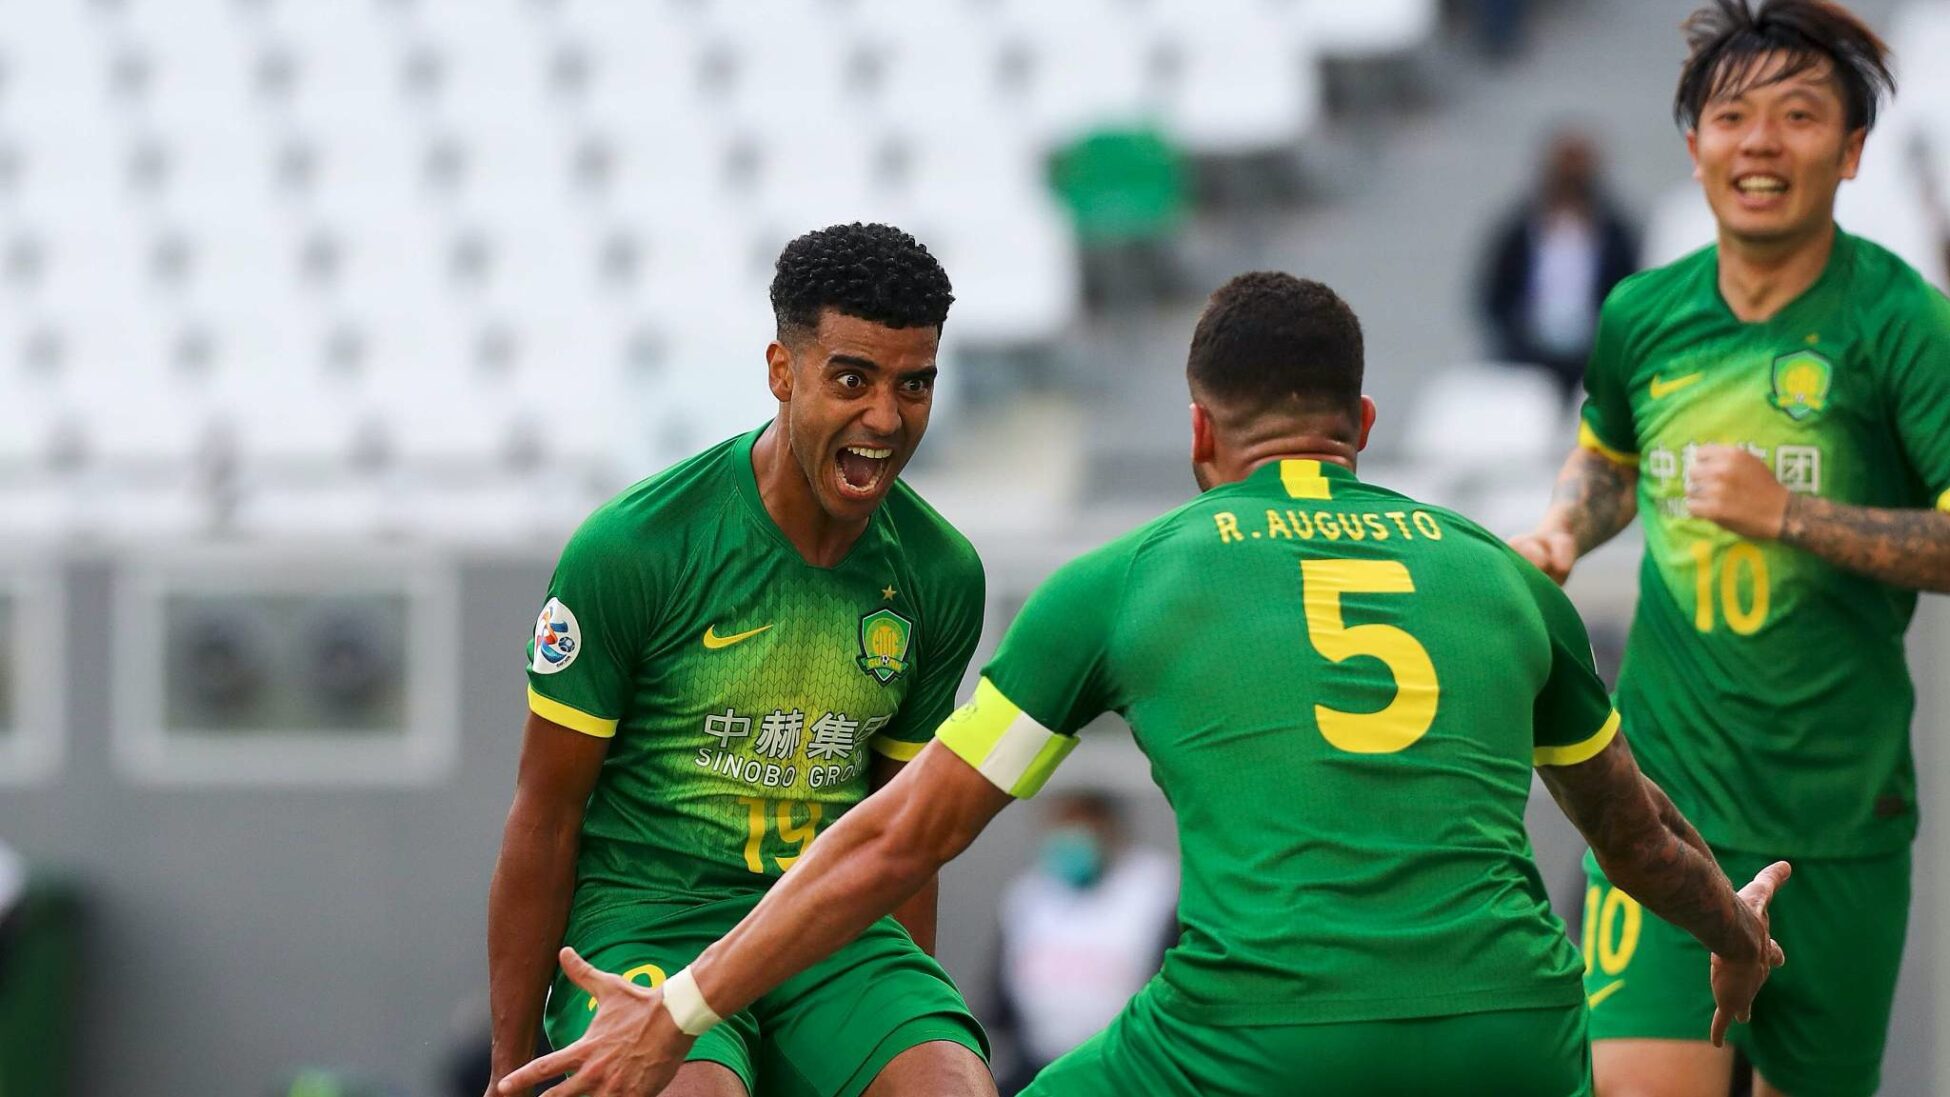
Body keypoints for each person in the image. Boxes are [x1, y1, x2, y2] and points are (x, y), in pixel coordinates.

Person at [498, 272, 1789, 1097]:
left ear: (1198, 432)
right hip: (1514, 1032)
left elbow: (904, 836)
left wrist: (685, 1005)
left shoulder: (1118, 579)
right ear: (1361, 427)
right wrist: (1735, 937)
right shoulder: (1502, 576)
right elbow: (1638, 836)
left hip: (1261, 1033)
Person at [1506, 3, 1950, 1094]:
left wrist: (1789, 514)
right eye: (1733, 115)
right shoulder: (1642, 313)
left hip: (1838, 819)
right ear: (1694, 142)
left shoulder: (1904, 323)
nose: (1761, 142)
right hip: (1662, 811)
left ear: (1851, 151)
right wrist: (1563, 528)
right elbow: (1611, 461)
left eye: (1799, 116)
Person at [484, 223, 994, 1097]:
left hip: (830, 928)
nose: (885, 417)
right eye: (852, 379)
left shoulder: (941, 574)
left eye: (914, 384)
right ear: (781, 370)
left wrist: (894, 1022)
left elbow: (903, 834)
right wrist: (508, 1071)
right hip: (650, 920)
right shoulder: (635, 547)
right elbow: (546, 814)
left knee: (948, 1085)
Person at [989, 791, 1176, 1094]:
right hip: (1040, 1061)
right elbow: (999, 999)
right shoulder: (1030, 896)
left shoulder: (1155, 894)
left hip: (1125, 1066)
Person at [1479, 129, 1640, 406]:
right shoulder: (1519, 231)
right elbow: (1494, 295)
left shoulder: (1615, 234)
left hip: (1593, 354)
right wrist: (1515, 338)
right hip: (1527, 353)